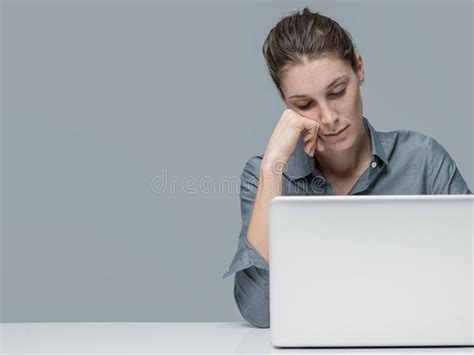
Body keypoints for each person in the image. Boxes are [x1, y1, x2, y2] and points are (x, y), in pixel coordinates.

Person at [222, 7, 472, 328]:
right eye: (304, 104)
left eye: (337, 92)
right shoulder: (266, 176)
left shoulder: (423, 160)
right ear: (285, 102)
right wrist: (272, 168)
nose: (328, 118)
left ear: (360, 69)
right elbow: (259, 310)